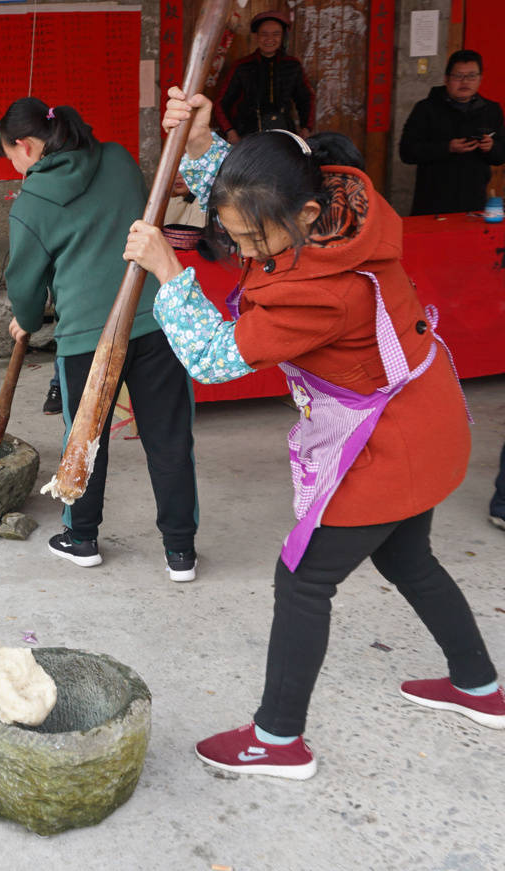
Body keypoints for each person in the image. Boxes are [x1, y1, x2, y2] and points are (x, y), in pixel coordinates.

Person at [121, 86, 504, 780]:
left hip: (390, 444)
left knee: (300, 578)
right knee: (408, 558)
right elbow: (253, 198)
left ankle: (277, 739)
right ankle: (480, 687)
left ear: (300, 215)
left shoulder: (319, 288)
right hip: (427, 417)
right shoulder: (339, 201)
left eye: (249, 241)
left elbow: (213, 358)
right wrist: (210, 145)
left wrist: (169, 272)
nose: (241, 249)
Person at [0, 97, 199, 581]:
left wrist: (26, 319)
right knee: (169, 439)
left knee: (84, 438)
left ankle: (82, 538)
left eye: (12, 158)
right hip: (155, 319)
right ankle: (180, 552)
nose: (17, 169)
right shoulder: (118, 158)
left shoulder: (31, 203)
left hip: (88, 336)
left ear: (25, 146)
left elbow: (25, 286)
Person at [399, 49, 505, 215]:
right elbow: (406, 152)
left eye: (471, 76)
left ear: (480, 79)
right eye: (458, 76)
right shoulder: (426, 109)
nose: (465, 82)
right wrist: (447, 148)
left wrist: (490, 147)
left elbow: (500, 157)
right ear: (446, 79)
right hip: (433, 200)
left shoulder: (491, 110)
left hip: (474, 199)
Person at [214, 10, 314, 143]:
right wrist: (230, 131)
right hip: (248, 135)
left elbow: (306, 99)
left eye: (276, 34)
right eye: (264, 34)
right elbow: (221, 103)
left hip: (284, 134)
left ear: (283, 36)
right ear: (256, 36)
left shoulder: (292, 65)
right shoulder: (242, 66)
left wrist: (306, 128)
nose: (269, 39)